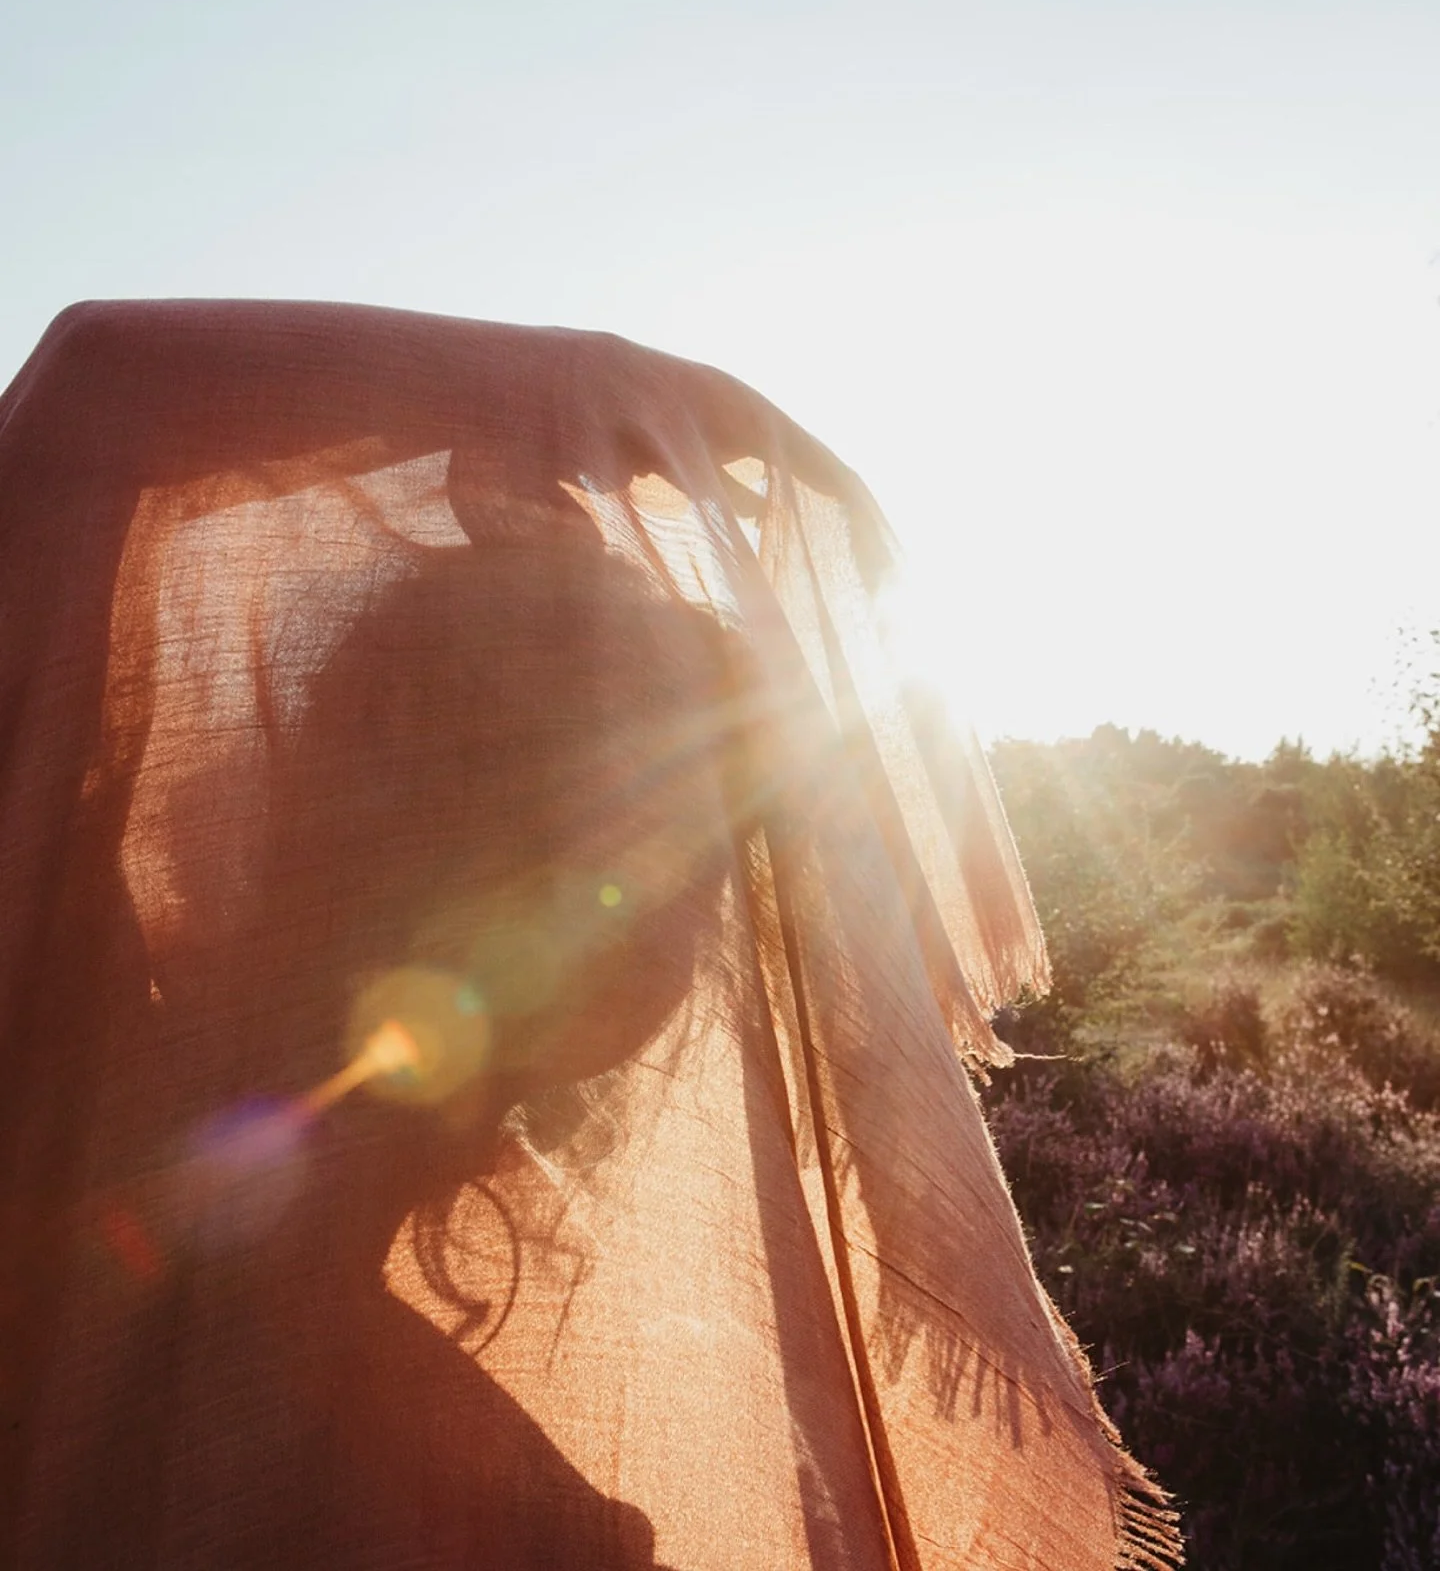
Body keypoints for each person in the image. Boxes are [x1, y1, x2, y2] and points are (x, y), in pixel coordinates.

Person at [0, 300, 1179, 1569]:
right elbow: (100, 374)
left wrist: (560, 405)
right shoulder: (422, 1453)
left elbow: (91, 417)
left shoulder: (90, 1078)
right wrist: (582, 396)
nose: (687, 902)